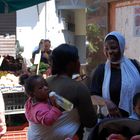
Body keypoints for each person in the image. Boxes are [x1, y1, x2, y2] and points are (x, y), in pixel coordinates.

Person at [46, 43, 97, 139]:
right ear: (70, 64)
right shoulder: (79, 88)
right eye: (77, 59)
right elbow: (90, 122)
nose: (79, 63)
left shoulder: (44, 82)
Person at [90, 31, 140, 117]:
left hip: (134, 120)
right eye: (106, 48)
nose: (109, 52)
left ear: (121, 47)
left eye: (113, 48)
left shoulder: (134, 66)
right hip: (111, 122)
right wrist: (106, 102)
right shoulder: (101, 70)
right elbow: (92, 97)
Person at [19, 74, 81, 140]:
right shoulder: (39, 109)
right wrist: (56, 108)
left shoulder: (31, 101)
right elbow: (48, 120)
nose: (46, 88)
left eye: (46, 85)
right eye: (41, 88)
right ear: (32, 94)